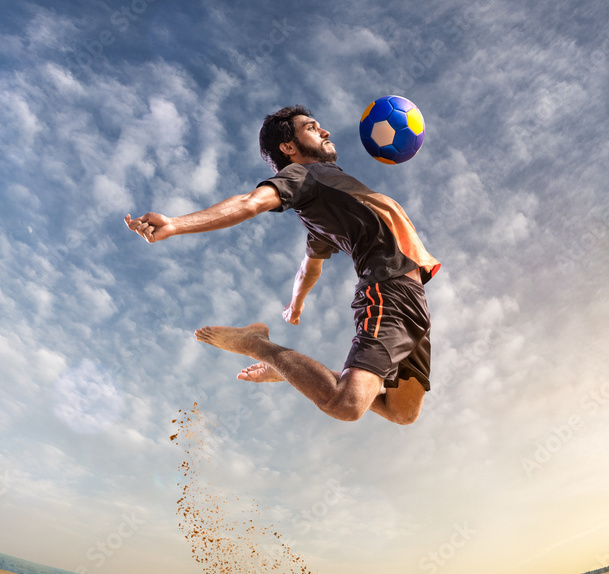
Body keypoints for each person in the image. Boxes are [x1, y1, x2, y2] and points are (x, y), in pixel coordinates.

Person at [125, 105, 440, 424]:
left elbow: (310, 266)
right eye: (312, 127)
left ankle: (289, 370)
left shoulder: (331, 200)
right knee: (345, 404)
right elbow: (249, 202)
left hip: (415, 300)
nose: (325, 131)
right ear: (288, 147)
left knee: (401, 411)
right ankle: (257, 344)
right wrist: (177, 223)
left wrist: (296, 305)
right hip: (388, 289)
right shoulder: (303, 175)